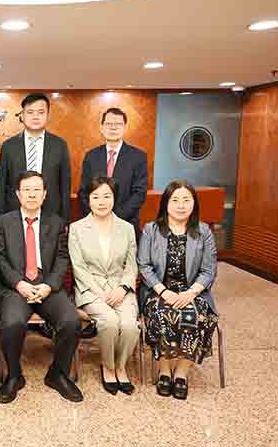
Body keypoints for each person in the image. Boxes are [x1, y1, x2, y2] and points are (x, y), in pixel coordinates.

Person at [0, 171, 82, 403]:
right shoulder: (3, 223)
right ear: (18, 194)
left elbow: (62, 258)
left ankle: (58, 374)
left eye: (36, 190)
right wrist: (19, 283)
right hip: (16, 287)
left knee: (71, 322)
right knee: (11, 323)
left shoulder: (56, 222)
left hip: (47, 286)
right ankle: (13, 376)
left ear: (44, 194)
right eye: (27, 190)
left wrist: (49, 286)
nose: (31, 194)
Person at [138, 180, 219, 400]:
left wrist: (191, 293)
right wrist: (164, 292)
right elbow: (144, 266)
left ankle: (182, 373)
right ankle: (164, 370)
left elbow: (209, 269)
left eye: (186, 200)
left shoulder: (203, 231)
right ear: (166, 203)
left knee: (197, 315)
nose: (181, 205)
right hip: (158, 291)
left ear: (194, 204)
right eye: (175, 200)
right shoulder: (151, 230)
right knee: (162, 314)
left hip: (193, 291)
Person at [69, 175, 139, 396]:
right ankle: (108, 367)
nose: (101, 201)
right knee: (108, 321)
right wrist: (97, 291)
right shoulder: (77, 228)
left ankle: (121, 366)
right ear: (88, 200)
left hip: (120, 288)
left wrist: (123, 288)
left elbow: (131, 265)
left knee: (130, 325)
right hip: (91, 289)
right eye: (96, 196)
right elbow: (78, 266)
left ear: (114, 198)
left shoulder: (127, 228)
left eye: (106, 196)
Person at [0, 92, 71, 221]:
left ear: (48, 115)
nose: (35, 117)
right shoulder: (8, 146)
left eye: (41, 112)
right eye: (30, 112)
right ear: (22, 115)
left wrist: (64, 220)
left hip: (51, 214)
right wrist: (0, 219)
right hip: (14, 213)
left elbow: (65, 186)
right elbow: (1, 185)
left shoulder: (60, 145)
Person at [78, 107, 148, 237]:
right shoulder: (91, 156)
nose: (113, 128)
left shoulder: (138, 157)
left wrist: (115, 219)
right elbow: (83, 192)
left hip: (126, 224)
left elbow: (139, 194)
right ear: (102, 127)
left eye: (118, 124)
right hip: (94, 225)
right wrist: (96, 216)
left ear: (125, 127)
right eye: (109, 124)